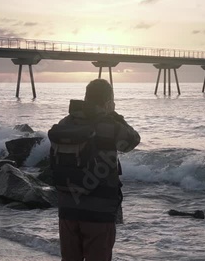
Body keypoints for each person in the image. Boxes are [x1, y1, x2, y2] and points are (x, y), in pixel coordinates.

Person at [48, 79, 141, 261]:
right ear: (107, 102)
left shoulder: (66, 122)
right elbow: (132, 140)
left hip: (67, 207)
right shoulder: (110, 125)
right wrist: (114, 115)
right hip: (99, 210)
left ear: (86, 97)